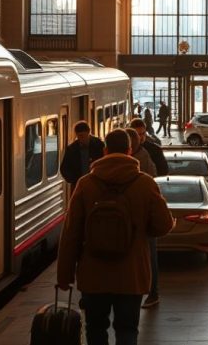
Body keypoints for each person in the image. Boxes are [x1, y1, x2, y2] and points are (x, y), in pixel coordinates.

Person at [57, 129, 173, 345]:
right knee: (128, 330)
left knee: (95, 329)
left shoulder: (85, 184)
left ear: (105, 150)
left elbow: (71, 233)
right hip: (132, 275)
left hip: (93, 275)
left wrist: (64, 276)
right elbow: (164, 225)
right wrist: (141, 231)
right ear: (130, 151)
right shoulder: (146, 183)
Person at [130, 118, 168, 307]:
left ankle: (153, 292)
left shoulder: (152, 151)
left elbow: (163, 171)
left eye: (143, 134)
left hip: (145, 209)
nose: (141, 138)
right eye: (137, 135)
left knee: (150, 254)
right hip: (139, 210)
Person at [61, 121, 106, 185]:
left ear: (88, 133)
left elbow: (104, 162)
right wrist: (73, 180)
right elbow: (64, 168)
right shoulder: (71, 149)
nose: (81, 139)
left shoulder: (99, 145)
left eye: (83, 136)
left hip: (97, 183)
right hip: (79, 184)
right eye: (79, 136)